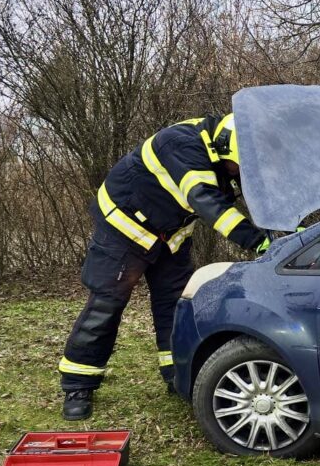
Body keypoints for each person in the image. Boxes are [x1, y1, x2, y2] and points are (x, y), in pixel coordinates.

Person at [58, 114, 271, 420]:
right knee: (107, 304)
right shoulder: (182, 144)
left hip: (170, 237)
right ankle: (78, 384)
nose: (238, 174)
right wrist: (258, 241)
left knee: (175, 306)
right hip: (125, 231)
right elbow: (206, 202)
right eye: (237, 167)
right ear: (225, 151)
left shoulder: (224, 154)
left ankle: (177, 375)